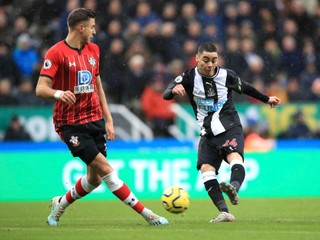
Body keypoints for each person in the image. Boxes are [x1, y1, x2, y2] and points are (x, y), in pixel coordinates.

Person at [36, 8, 168, 227]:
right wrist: (58, 93)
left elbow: (97, 85)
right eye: (92, 27)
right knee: (106, 169)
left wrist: (109, 119)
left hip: (94, 119)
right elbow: (40, 88)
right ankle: (148, 214)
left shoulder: (94, 50)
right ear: (81, 27)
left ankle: (59, 205)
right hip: (70, 125)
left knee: (94, 179)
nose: (95, 31)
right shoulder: (56, 53)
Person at [163, 42, 280, 223]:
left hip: (229, 125)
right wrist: (173, 91)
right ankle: (225, 213)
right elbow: (166, 94)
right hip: (207, 132)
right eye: (206, 60)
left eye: (214, 60)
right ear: (197, 58)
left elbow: (246, 87)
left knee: (234, 156)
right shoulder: (187, 77)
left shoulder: (226, 76)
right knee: (206, 170)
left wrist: (266, 99)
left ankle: (233, 187)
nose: (210, 65)